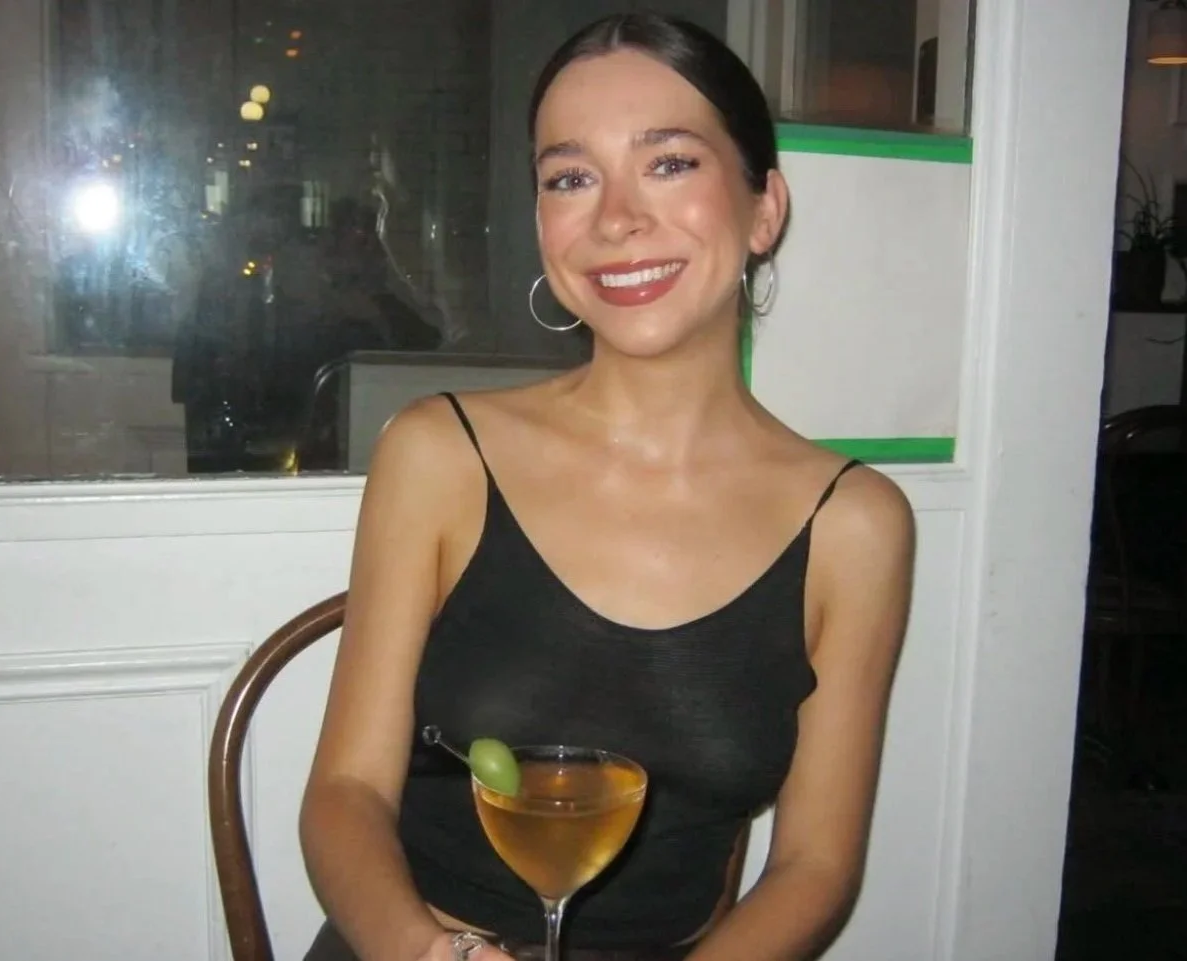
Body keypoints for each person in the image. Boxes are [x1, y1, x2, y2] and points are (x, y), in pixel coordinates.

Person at [299, 12, 915, 961]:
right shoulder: (439, 454)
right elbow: (346, 794)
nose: (615, 218)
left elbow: (815, 866)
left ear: (763, 208)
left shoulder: (856, 525)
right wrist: (423, 951)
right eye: (570, 177)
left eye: (669, 162)